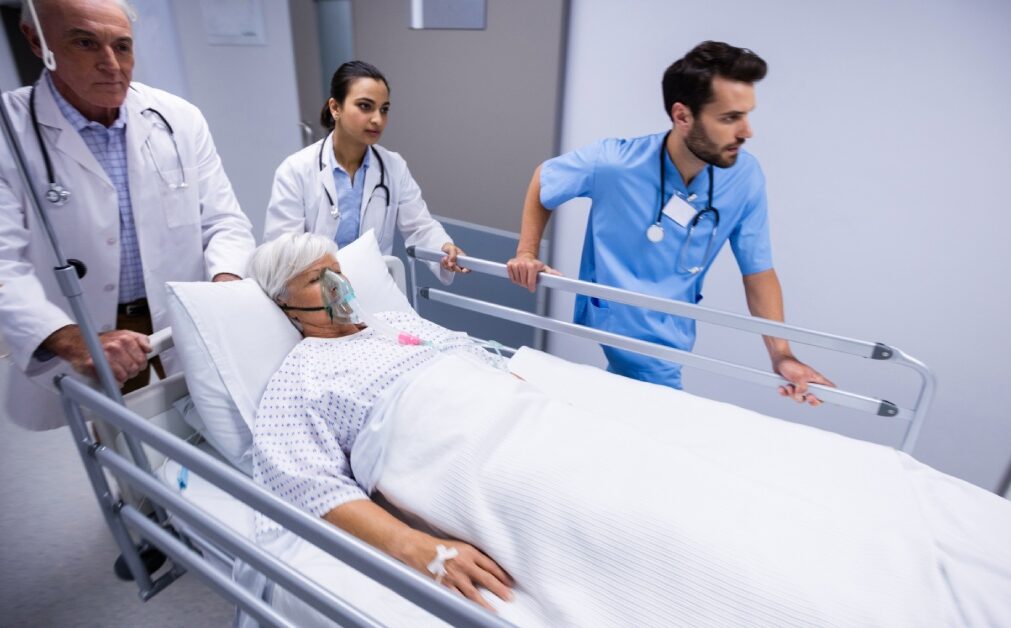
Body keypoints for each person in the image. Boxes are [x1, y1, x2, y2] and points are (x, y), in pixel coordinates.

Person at [247, 233, 1011, 626]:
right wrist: (417, 547)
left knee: (698, 484)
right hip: (467, 452)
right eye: (323, 280)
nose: (344, 289)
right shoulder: (299, 378)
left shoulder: (403, 328)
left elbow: (490, 360)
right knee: (650, 530)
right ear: (289, 301)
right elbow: (308, 487)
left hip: (531, 410)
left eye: (342, 272)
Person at [507, 41, 831, 398]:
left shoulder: (745, 177)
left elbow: (758, 271)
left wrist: (782, 355)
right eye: (729, 118)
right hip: (615, 318)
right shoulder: (616, 163)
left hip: (672, 329)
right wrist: (526, 252)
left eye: (747, 115)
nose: (746, 131)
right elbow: (546, 179)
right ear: (682, 116)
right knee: (651, 416)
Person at [0, 0, 255, 430]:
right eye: (85, 43)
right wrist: (71, 338)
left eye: (122, 46)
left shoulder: (178, 119)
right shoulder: (8, 129)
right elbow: (5, 266)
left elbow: (224, 222)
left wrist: (224, 284)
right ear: (36, 40)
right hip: (79, 333)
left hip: (175, 321)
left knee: (193, 434)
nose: (111, 64)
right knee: (111, 447)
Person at [263, 60, 466, 283]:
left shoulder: (393, 167)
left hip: (372, 289)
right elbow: (281, 251)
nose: (377, 119)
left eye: (384, 109)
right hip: (312, 293)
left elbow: (419, 227)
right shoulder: (296, 170)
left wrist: (444, 248)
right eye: (365, 106)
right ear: (335, 108)